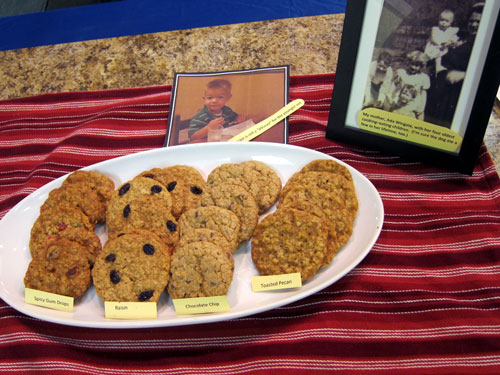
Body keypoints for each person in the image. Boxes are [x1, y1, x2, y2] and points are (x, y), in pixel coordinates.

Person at [425, 2, 483, 128]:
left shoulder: (488, 48)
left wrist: (465, 75)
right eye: (471, 21)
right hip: (440, 97)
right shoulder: (462, 40)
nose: (474, 25)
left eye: (479, 22)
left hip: (456, 100)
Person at [391, 51, 430, 120]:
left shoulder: (423, 78)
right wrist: (392, 98)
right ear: (408, 62)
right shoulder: (402, 73)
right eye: (412, 64)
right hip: (400, 104)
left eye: (417, 65)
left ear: (421, 66)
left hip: (414, 107)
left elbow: (423, 94)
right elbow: (394, 86)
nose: (413, 67)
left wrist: (421, 108)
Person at [424, 9, 460, 76]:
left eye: (446, 21)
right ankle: (434, 69)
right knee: (436, 56)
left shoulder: (451, 30)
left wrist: (451, 42)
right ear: (438, 20)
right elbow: (433, 38)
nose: (443, 22)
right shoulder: (435, 29)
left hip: (445, 47)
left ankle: (440, 69)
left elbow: (454, 38)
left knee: (443, 56)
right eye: (442, 20)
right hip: (435, 46)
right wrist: (439, 43)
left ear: (451, 22)